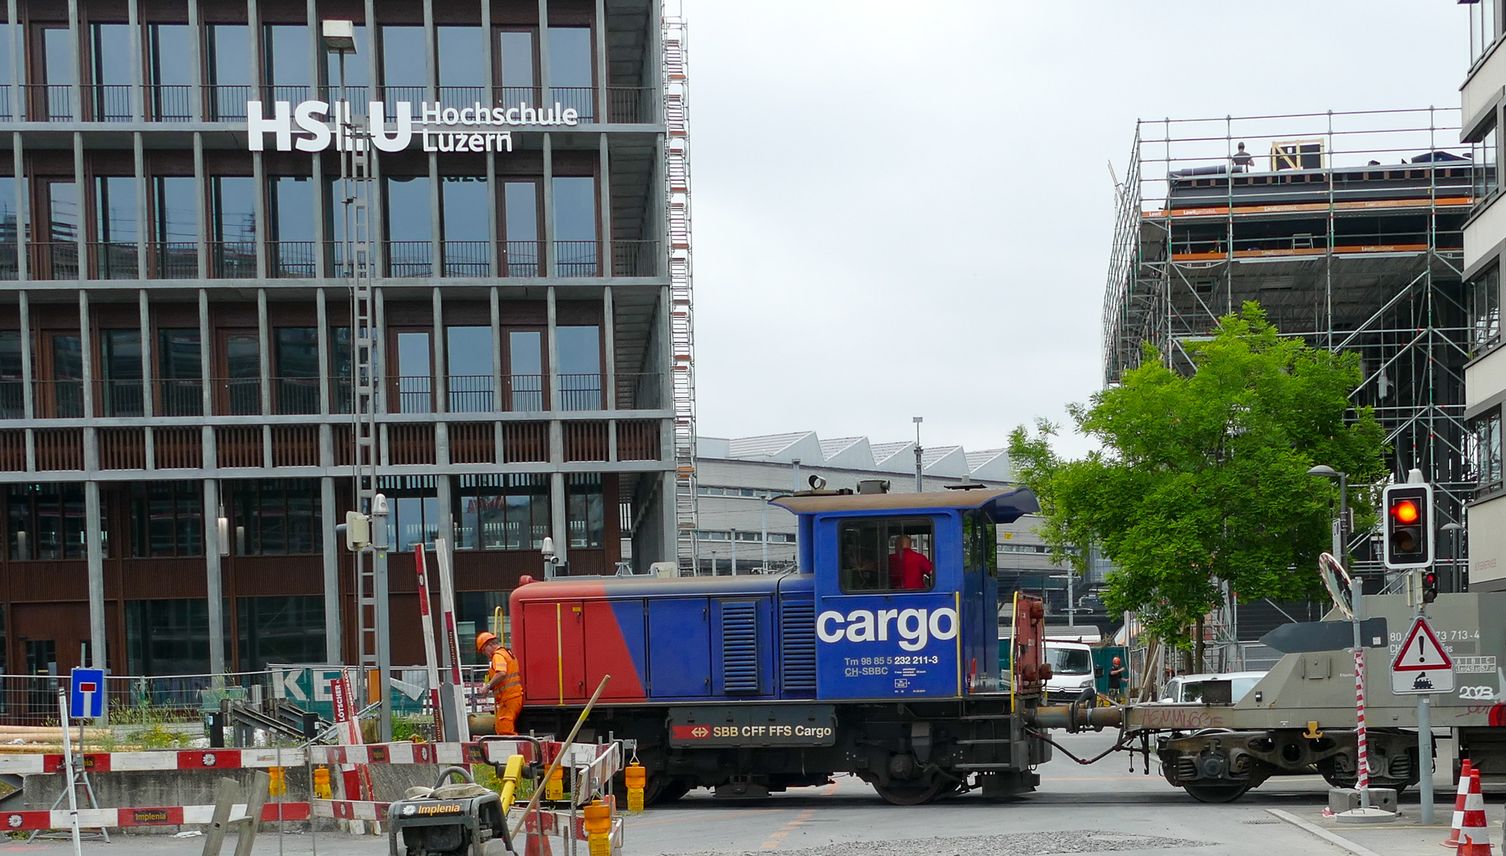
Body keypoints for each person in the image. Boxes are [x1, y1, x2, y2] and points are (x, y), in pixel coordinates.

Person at [477, 631, 523, 735]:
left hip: (508, 698)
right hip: (510, 697)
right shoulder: (506, 653)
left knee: (504, 730)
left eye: (484, 650)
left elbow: (501, 673)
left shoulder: (497, 655)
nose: (485, 654)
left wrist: (488, 686)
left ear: (489, 645)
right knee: (501, 727)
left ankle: (511, 750)